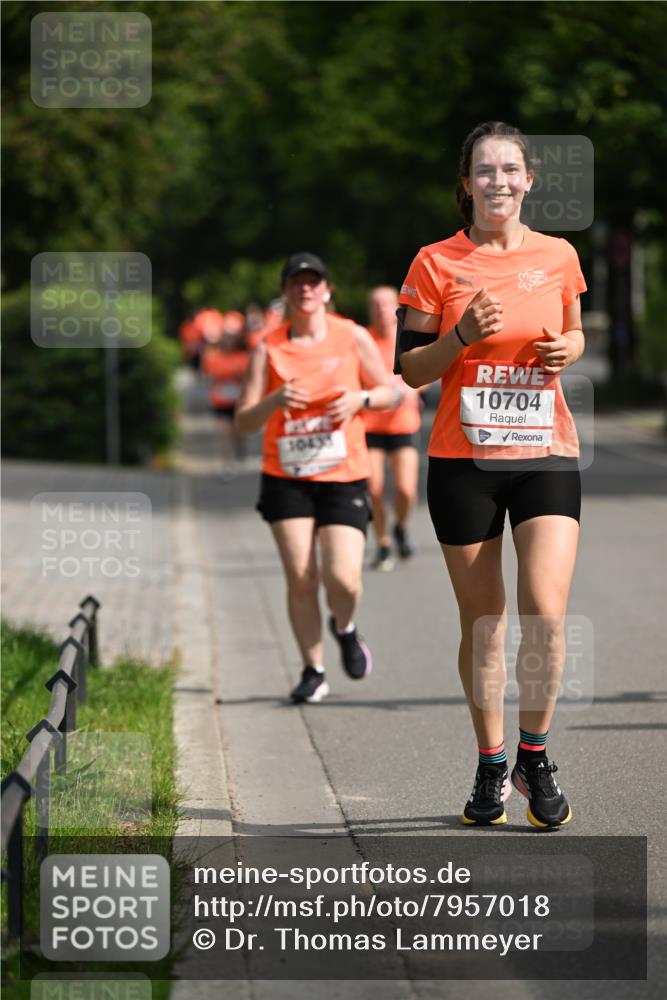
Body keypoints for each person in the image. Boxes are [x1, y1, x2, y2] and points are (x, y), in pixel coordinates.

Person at [397, 122, 586, 828]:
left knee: (545, 611)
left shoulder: (558, 255)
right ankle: (489, 764)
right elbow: (410, 370)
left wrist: (569, 347)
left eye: (510, 169)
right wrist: (460, 337)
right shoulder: (434, 263)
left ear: (528, 179)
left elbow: (573, 329)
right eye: (484, 170)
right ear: (466, 182)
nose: (498, 181)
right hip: (463, 462)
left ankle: (534, 755)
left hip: (544, 452)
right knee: (484, 625)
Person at [235, 252, 395, 703]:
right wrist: (274, 400)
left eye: (314, 281)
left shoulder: (352, 336)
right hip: (286, 475)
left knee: (343, 578)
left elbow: (388, 392)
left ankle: (344, 626)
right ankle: (313, 668)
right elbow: (244, 421)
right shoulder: (268, 347)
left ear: (327, 291)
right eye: (296, 282)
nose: (305, 289)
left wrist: (360, 399)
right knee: (302, 578)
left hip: (343, 473)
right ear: (285, 293)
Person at [363, 286, 422, 571]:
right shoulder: (363, 340)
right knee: (373, 489)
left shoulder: (407, 336)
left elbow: (426, 370)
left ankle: (399, 526)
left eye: (386, 304)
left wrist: (414, 389)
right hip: (370, 424)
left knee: (406, 490)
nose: (381, 310)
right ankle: (384, 543)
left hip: (402, 424)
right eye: (375, 305)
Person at [201, 313, 250, 475]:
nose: (230, 340)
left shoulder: (244, 356)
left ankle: (240, 447)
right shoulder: (214, 356)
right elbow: (208, 378)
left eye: (233, 336)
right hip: (221, 400)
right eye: (227, 336)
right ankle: (227, 463)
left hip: (239, 400)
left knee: (237, 431)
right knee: (225, 432)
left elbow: (250, 379)